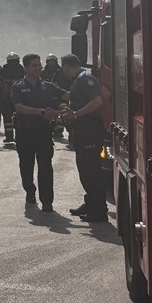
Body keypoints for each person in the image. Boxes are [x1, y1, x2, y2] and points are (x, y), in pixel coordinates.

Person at [10, 53, 64, 213]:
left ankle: (47, 201)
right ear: (26, 67)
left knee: (46, 167)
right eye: (34, 65)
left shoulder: (48, 86)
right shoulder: (18, 87)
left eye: (39, 65)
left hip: (43, 133)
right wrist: (41, 112)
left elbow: (66, 95)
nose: (38, 68)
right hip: (25, 133)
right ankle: (30, 191)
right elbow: (19, 107)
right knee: (26, 166)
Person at [60, 54, 108, 222]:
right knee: (85, 171)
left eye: (63, 68)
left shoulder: (85, 78)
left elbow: (97, 101)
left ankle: (99, 211)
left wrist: (76, 114)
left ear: (66, 66)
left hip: (90, 130)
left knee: (91, 171)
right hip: (82, 131)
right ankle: (91, 203)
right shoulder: (78, 80)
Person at [0, 52, 24, 139]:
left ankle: (9, 136)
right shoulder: (21, 69)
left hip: (8, 97)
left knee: (8, 116)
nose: (13, 64)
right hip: (17, 98)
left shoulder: (4, 69)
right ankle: (18, 136)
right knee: (19, 116)